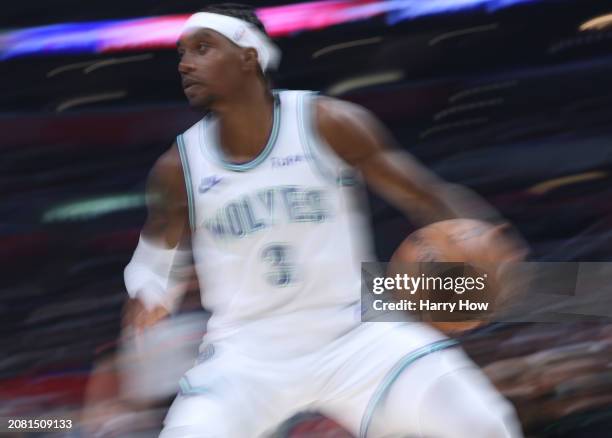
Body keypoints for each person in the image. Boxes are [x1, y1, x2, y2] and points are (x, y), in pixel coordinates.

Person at [123, 3, 524, 437]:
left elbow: (427, 196)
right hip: (246, 355)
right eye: (182, 52)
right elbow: (155, 252)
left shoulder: (328, 123)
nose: (185, 63)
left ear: (248, 55)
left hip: (356, 334)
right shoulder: (177, 167)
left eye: (202, 48)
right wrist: (149, 291)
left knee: (483, 423)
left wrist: (494, 252)